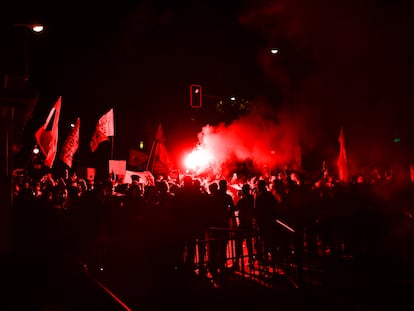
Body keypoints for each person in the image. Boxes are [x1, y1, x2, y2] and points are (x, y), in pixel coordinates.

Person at [234, 183, 256, 269]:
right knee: (249, 242)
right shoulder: (251, 198)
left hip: (243, 223)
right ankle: (251, 260)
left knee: (238, 242)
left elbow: (235, 208)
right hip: (249, 222)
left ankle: (237, 261)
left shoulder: (243, 199)